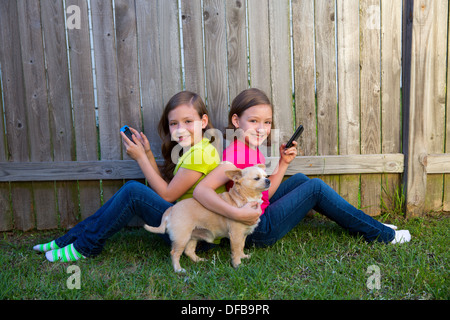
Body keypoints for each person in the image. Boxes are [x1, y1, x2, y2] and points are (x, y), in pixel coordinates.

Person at [193, 88, 411, 247]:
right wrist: (236, 214)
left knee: (299, 179)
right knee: (315, 188)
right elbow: (200, 191)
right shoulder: (234, 157)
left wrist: (283, 163)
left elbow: (265, 193)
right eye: (253, 121)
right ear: (236, 120)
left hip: (260, 211)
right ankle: (381, 234)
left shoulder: (249, 148)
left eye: (267, 122)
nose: (262, 129)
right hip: (256, 230)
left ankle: (366, 223)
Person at [33, 91, 225, 262]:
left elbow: (167, 196)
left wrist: (141, 158)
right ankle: (69, 240)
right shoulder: (195, 149)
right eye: (174, 123)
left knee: (134, 191)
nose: (180, 128)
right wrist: (148, 154)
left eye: (188, 121)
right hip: (185, 224)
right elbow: (170, 188)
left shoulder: (200, 154)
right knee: (132, 191)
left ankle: (85, 246)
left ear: (204, 121)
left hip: (196, 238)